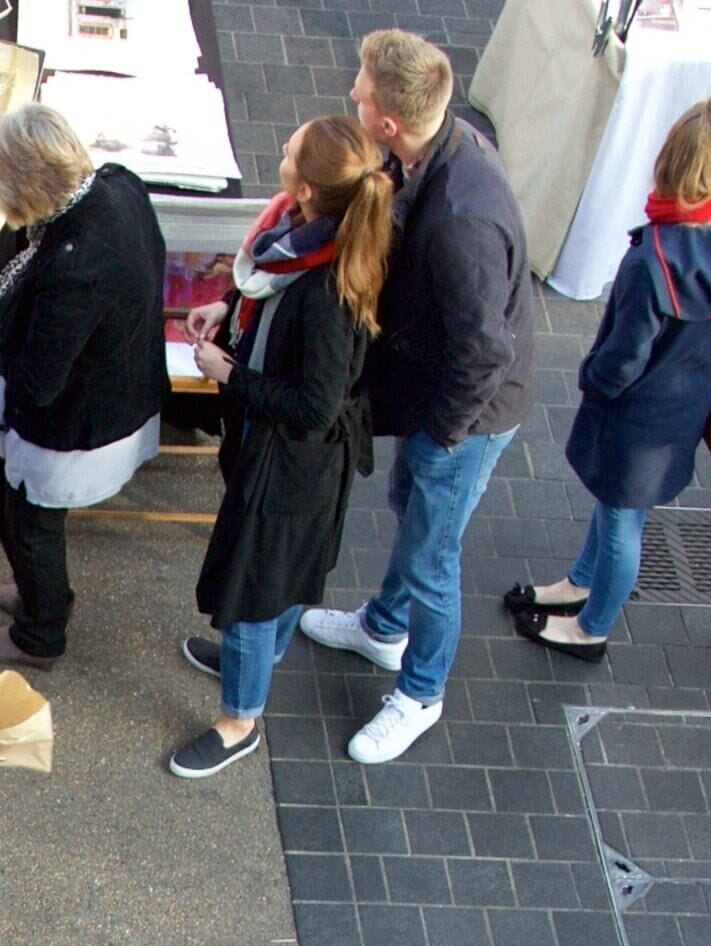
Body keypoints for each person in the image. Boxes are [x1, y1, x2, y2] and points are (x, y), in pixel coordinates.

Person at [294, 31, 533, 764]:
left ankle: (420, 693)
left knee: (434, 553)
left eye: (361, 93)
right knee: (414, 513)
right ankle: (383, 628)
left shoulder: (462, 221)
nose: (354, 97)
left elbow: (485, 348)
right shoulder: (441, 149)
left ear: (389, 123)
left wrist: (446, 435)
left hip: (467, 417)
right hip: (448, 404)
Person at [505, 97, 711, 667]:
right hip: (689, 395)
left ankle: (591, 627)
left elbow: (621, 362)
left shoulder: (653, 259)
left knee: (623, 517)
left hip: (637, 414)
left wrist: (589, 377)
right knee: (620, 506)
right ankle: (580, 583)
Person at [167, 113, 386, 777]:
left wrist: (231, 376)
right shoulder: (312, 235)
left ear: (313, 190)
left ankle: (239, 721)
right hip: (280, 460)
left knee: (255, 593)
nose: (282, 151)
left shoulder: (327, 294)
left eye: (291, 151)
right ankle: (253, 654)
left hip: (292, 470)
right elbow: (268, 292)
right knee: (278, 585)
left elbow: (314, 409)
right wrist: (230, 305)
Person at [0, 100, 167, 671]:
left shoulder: (74, 266)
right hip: (120, 387)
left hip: (76, 424)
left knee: (31, 522)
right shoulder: (118, 186)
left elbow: (37, 383)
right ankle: (38, 594)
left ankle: (39, 633)